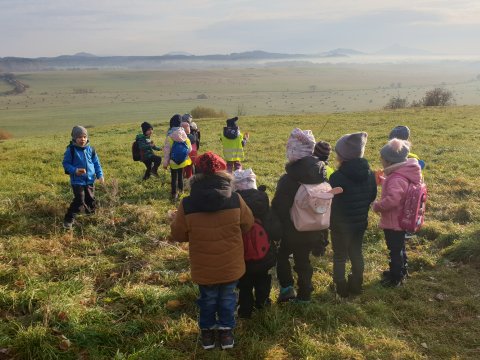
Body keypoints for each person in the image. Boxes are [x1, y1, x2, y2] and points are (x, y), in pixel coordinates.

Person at [170, 151, 254, 350]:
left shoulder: (187, 204)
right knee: (227, 297)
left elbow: (179, 235)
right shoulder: (235, 199)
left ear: (196, 175)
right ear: (224, 174)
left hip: (203, 267)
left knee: (207, 299)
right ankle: (226, 333)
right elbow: (248, 224)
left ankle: (207, 333)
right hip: (230, 265)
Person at [271, 128, 327, 303]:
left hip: (292, 229)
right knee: (303, 260)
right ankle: (305, 293)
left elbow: (279, 207)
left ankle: (287, 289)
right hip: (315, 226)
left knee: (281, 257)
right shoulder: (321, 174)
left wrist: (276, 229)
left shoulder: (289, 179)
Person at [329, 132, 377, 298]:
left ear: (342, 156)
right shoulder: (370, 175)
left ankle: (340, 287)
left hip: (340, 226)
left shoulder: (336, 177)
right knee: (356, 253)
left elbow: (330, 201)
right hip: (360, 223)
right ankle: (357, 284)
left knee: (340, 256)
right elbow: (372, 196)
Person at [372, 138, 422, 287]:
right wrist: (385, 180)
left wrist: (377, 206)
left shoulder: (396, 178)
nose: (380, 160)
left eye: (382, 158)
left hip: (394, 221)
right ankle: (401, 270)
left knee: (394, 249)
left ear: (389, 161)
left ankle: (396, 277)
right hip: (402, 219)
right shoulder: (403, 173)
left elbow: (392, 200)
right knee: (399, 247)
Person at [233, 169, 280, 318]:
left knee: (245, 283)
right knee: (263, 279)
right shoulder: (263, 202)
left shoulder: (233, 203)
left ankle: (245, 309)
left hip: (242, 256)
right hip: (264, 255)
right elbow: (274, 228)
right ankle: (262, 301)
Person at [62, 125, 104, 229]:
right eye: (80, 137)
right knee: (79, 200)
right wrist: (75, 170)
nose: (82, 139)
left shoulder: (91, 150)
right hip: (77, 181)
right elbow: (66, 164)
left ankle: (91, 216)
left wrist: (100, 175)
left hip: (89, 180)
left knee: (90, 199)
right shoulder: (71, 150)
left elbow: (96, 163)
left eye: (84, 137)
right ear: (74, 138)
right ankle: (68, 220)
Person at [311, 140, 334, 257]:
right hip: (327, 203)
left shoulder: (312, 168)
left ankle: (316, 247)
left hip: (313, 201)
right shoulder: (330, 170)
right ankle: (322, 246)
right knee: (324, 225)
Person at [163, 114, 192, 202]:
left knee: (174, 178)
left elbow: (167, 152)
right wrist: (183, 154)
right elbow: (190, 149)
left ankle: (174, 194)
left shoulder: (169, 136)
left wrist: (165, 164)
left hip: (173, 161)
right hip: (183, 161)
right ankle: (181, 191)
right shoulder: (184, 135)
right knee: (180, 176)